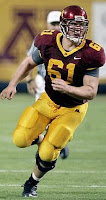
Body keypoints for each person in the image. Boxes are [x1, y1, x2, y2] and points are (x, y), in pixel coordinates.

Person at [0, 5, 105, 198]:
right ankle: (43, 139)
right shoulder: (48, 41)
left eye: (81, 26)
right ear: (63, 25)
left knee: (48, 152)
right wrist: (12, 84)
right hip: (47, 100)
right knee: (20, 139)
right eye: (73, 25)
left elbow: (91, 92)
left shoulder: (91, 52)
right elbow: (29, 62)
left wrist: (68, 88)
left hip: (73, 108)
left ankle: (31, 183)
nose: (77, 30)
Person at [26, 10, 69, 159]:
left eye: (59, 23)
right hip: (43, 80)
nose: (56, 26)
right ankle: (48, 146)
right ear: (47, 24)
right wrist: (29, 80)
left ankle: (56, 142)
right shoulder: (42, 39)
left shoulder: (69, 40)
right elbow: (29, 61)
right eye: (53, 23)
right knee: (43, 116)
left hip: (63, 84)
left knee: (60, 116)